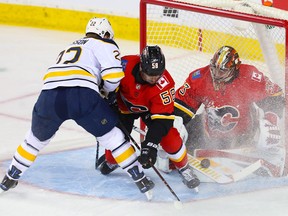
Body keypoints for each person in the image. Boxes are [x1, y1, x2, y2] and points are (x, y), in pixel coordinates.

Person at [0, 17, 154, 199]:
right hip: (81, 95)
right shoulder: (104, 44)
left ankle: (10, 177)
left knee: (34, 140)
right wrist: (106, 92)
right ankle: (140, 179)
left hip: (49, 96)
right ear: (105, 34)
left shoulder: (68, 48)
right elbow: (113, 76)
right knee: (113, 137)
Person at [97, 45, 200, 190]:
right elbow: (104, 83)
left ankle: (184, 168)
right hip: (123, 109)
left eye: (158, 74)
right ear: (141, 67)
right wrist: (106, 97)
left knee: (170, 138)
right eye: (150, 74)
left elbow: (162, 121)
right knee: (116, 140)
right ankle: (111, 160)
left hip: (151, 112)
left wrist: (150, 146)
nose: (154, 78)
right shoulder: (123, 66)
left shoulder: (166, 84)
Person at [173, 45, 285, 175]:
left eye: (222, 71)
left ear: (234, 69)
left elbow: (275, 97)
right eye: (214, 69)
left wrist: (270, 120)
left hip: (243, 136)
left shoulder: (249, 76)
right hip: (208, 133)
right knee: (175, 130)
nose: (216, 74)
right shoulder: (199, 78)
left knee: (265, 145)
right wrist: (169, 124)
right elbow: (182, 106)